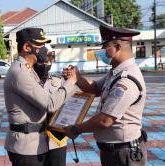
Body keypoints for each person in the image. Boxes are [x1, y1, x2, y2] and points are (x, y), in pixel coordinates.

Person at [63, 24, 147, 166]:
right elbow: (95, 88)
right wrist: (77, 78)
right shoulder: (116, 73)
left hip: (124, 153)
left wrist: (76, 129)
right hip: (114, 151)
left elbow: (105, 120)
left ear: (118, 47)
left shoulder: (126, 80)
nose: (101, 51)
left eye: (105, 47)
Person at [3, 27, 78, 166]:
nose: (44, 49)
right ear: (26, 47)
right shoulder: (20, 73)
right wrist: (72, 81)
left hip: (36, 143)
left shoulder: (28, 71)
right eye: (40, 45)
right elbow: (50, 103)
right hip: (26, 148)